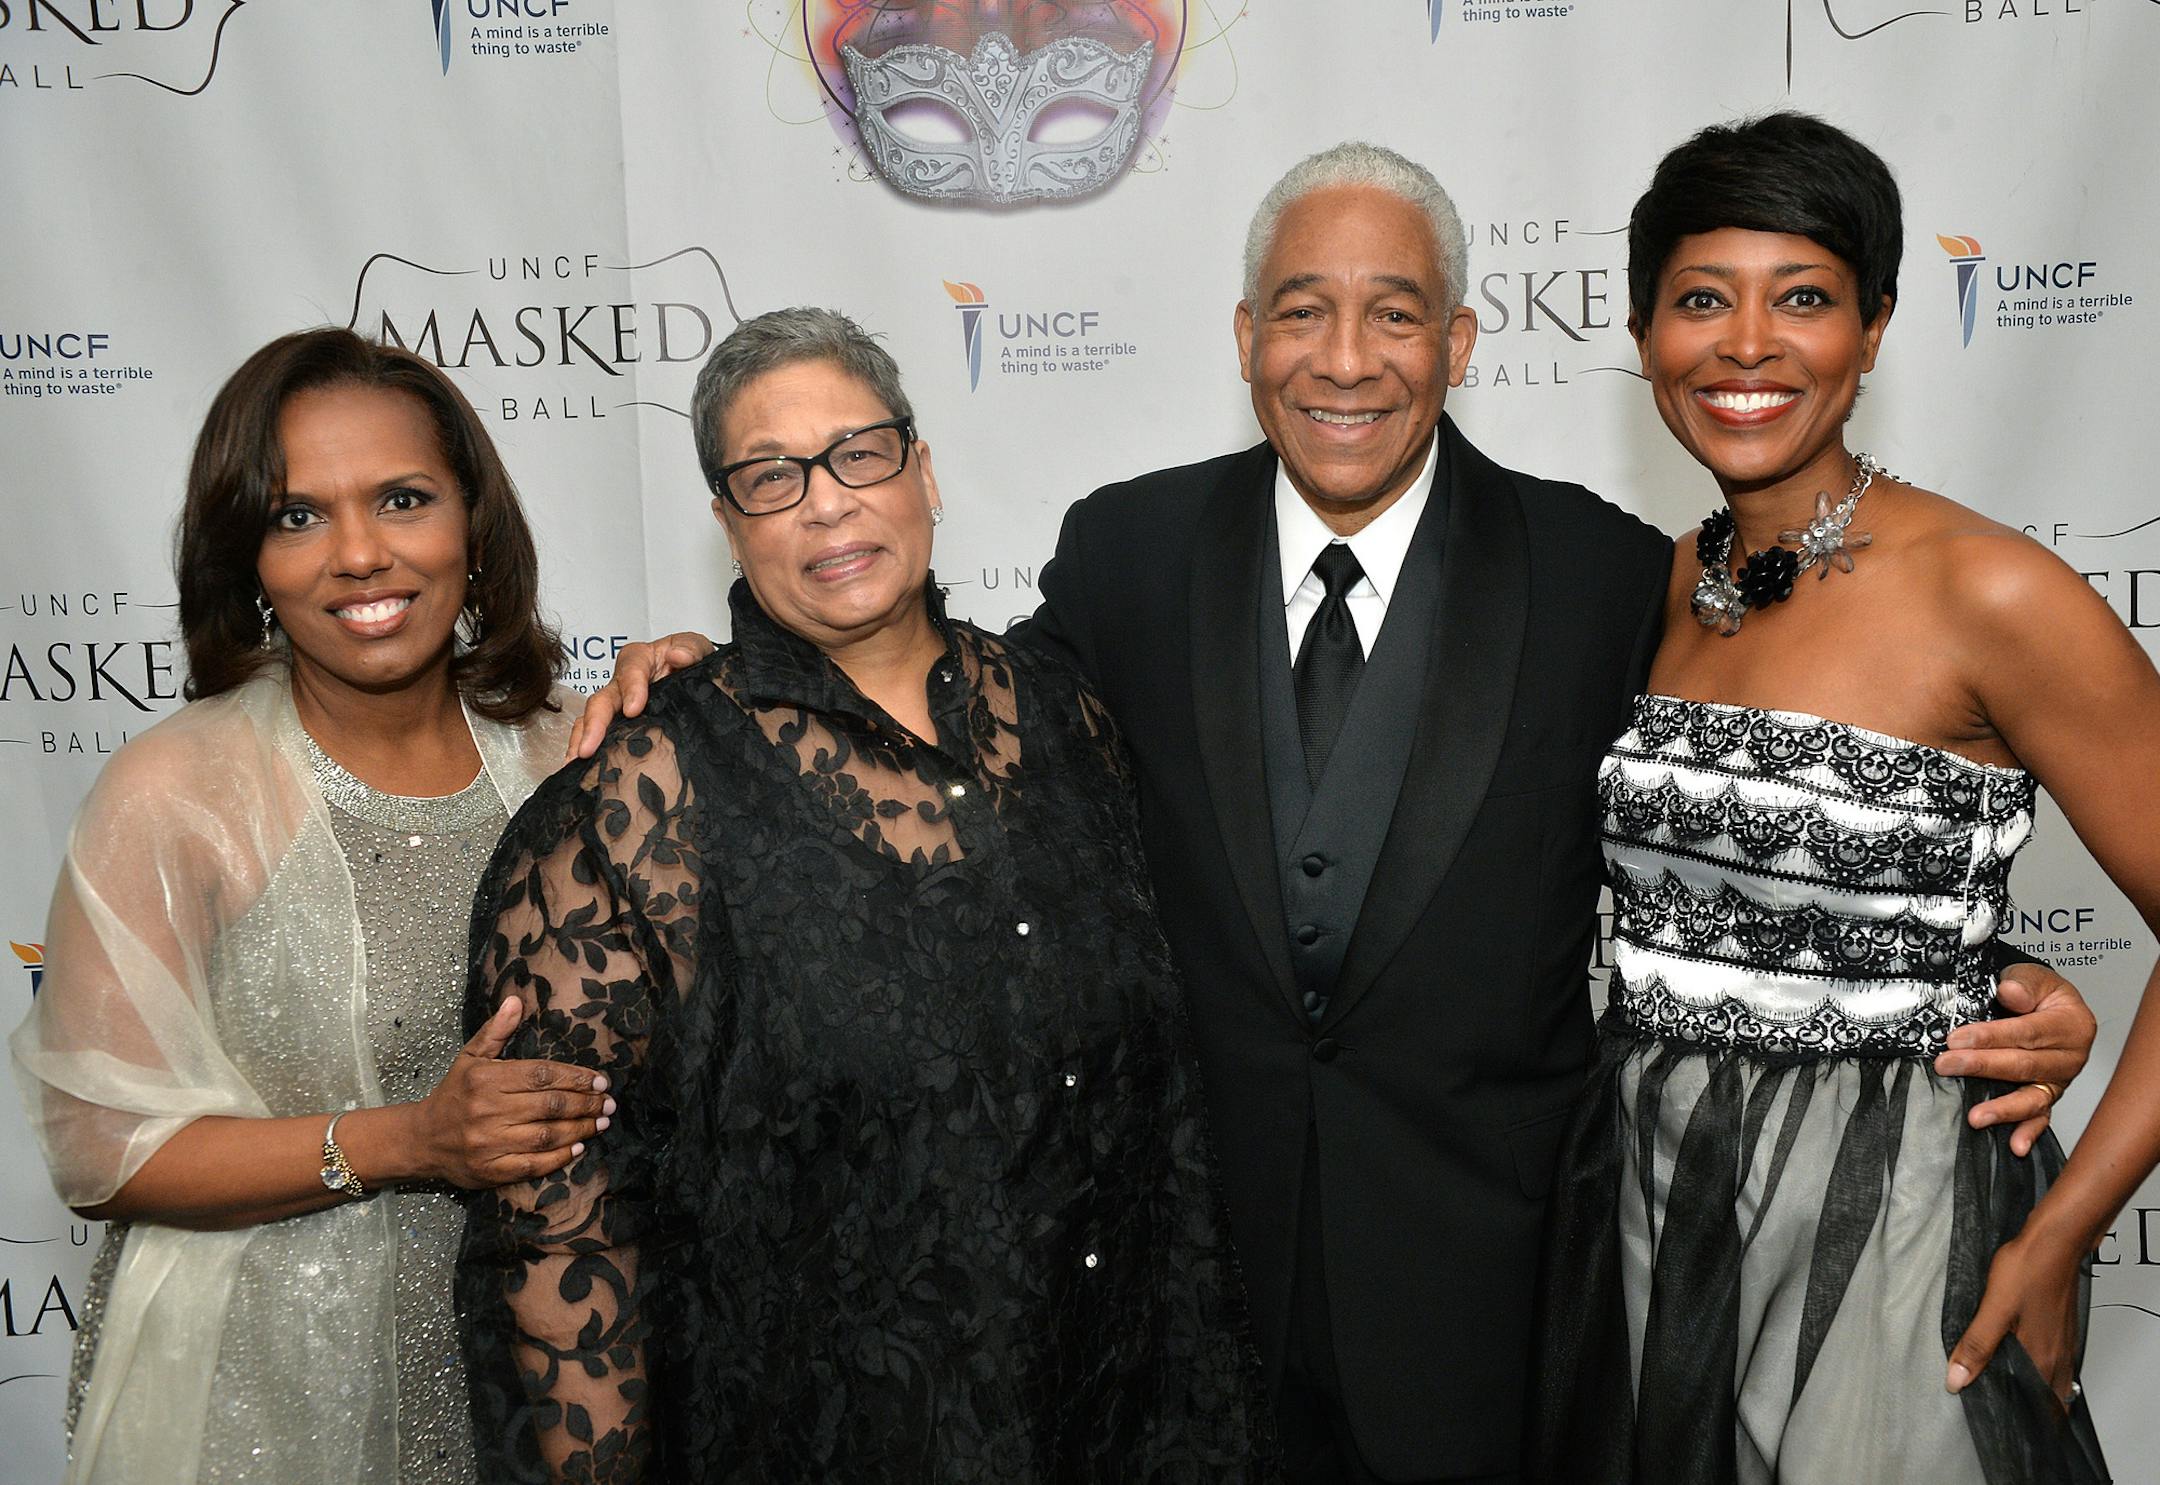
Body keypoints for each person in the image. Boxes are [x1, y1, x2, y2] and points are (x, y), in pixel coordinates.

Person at [575, 144, 2097, 1484]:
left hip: (1512, 1312)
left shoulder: (1609, 575)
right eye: (1302, 309)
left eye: (1394, 312)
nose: (1346, 358)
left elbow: (1758, 800)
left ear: (1462, 340)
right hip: (1193, 1305)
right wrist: (730, 667)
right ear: (1246, 340)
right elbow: (946, 719)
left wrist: (1978, 978)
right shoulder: (1130, 552)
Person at [455, 307, 1275, 1482]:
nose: (828, 500)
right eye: (771, 477)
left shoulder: (1067, 713)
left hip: (1128, 1418)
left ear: (924, 470)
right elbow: (561, 1221)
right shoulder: (639, 798)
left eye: (860, 452)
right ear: (728, 523)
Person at [1529, 113, 2138, 1484]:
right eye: (1701, 300)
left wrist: (2060, 1231)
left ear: (1872, 333)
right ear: (1642, 336)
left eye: (1803, 297)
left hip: (1891, 1209)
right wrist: (1986, 958)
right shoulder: (1656, 584)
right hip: (1652, 1205)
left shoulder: (1990, 590)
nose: (1746, 345)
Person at [8, 328, 610, 1485]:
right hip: (262, 1400)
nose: (360, 554)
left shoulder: (571, 757)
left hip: (539, 1388)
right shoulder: (177, 791)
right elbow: (102, 1152)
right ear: (249, 560)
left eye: (401, 498)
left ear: (472, 529)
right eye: (297, 516)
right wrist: (409, 1142)